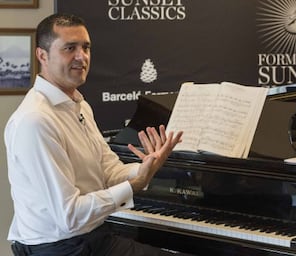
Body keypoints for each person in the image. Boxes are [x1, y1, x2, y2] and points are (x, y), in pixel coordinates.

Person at [4, 13, 187, 256]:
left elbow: (109, 171)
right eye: (70, 48)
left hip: (91, 236)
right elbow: (69, 216)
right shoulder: (36, 120)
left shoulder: (80, 106)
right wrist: (135, 185)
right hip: (57, 248)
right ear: (42, 55)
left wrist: (146, 167)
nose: (82, 57)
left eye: (86, 47)